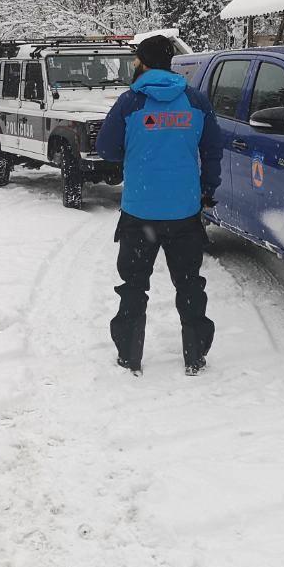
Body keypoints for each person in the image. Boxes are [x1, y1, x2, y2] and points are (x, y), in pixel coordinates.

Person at [95, 34, 223, 376]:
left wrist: (136, 155)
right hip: (184, 212)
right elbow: (213, 149)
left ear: (144, 62)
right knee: (189, 282)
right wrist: (207, 187)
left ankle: (129, 356)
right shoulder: (195, 100)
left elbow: (106, 147)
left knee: (134, 285)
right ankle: (195, 355)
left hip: (140, 212)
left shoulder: (130, 101)